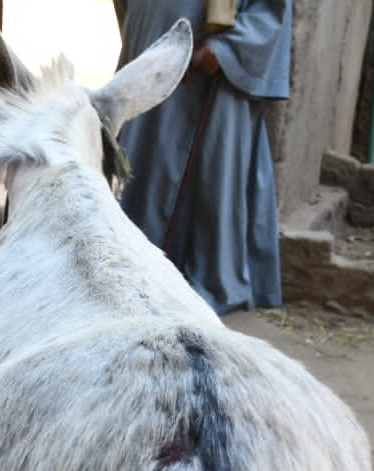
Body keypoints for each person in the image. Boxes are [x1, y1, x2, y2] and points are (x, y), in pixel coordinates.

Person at [114, 0, 292, 314]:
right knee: (142, 166)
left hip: (209, 72)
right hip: (152, 53)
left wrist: (226, 49)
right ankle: (137, 269)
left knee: (209, 172)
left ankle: (196, 279)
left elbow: (270, 10)